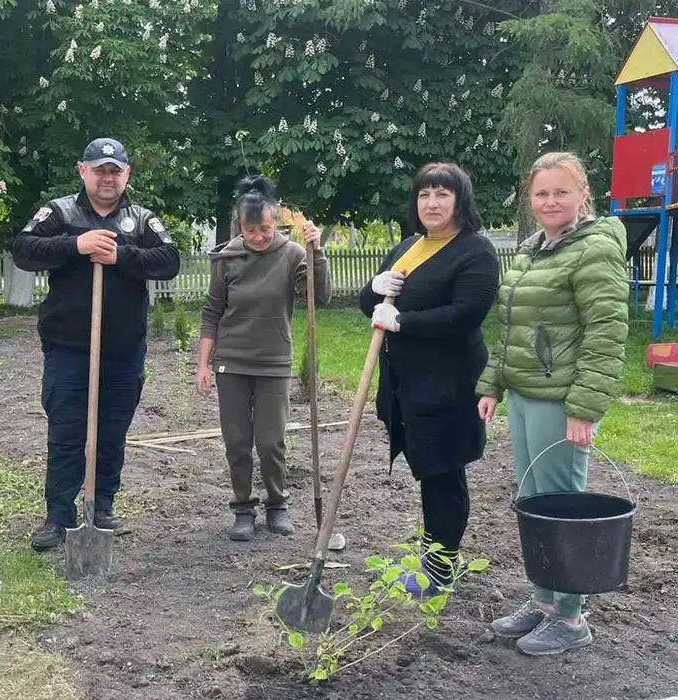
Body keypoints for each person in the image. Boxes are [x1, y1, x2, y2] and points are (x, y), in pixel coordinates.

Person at [477, 151, 629, 656]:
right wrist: (492, 384)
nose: (549, 201)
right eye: (541, 193)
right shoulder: (532, 249)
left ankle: (571, 615)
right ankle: (543, 600)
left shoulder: (595, 249)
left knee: (564, 504)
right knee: (534, 502)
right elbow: (512, 329)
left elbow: (606, 331)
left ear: (583, 194)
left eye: (560, 191)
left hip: (560, 399)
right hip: (524, 394)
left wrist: (585, 405)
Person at [12, 137, 181, 552]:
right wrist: (77, 245)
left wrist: (120, 256)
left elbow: (170, 261)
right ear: (83, 171)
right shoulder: (59, 212)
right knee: (66, 432)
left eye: (115, 171)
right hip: (69, 348)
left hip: (123, 351)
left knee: (110, 433)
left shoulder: (141, 220)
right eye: (100, 169)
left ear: (127, 175)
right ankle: (59, 516)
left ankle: (102, 506)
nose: (108, 177)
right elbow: (24, 250)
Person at [359, 162, 500, 593]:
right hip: (408, 385)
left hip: (449, 385)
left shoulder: (474, 251)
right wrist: (373, 287)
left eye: (442, 194)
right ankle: (433, 556)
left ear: (460, 200)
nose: (432, 203)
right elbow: (373, 306)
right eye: (424, 194)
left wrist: (402, 321)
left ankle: (440, 569)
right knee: (430, 470)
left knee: (444, 472)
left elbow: (465, 314)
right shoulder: (408, 247)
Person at [197, 176, 331, 541]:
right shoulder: (227, 258)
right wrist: (203, 365)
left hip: (274, 361)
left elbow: (317, 296)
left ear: (277, 224)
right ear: (241, 226)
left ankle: (277, 504)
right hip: (232, 362)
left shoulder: (291, 255)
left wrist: (317, 252)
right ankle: (243, 508)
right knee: (237, 441)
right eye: (251, 230)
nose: (258, 237)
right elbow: (212, 312)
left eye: (266, 229)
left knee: (271, 441)